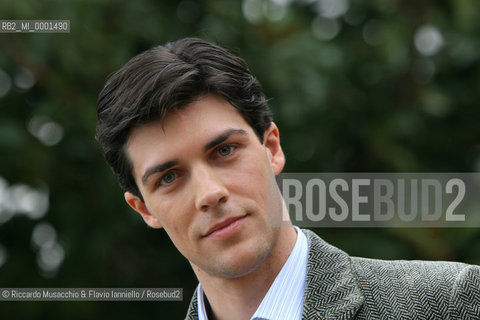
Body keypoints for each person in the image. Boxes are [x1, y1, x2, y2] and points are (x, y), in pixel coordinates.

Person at [96, 38, 480, 320]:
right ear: (144, 208)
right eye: (169, 177)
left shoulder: (449, 302)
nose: (210, 193)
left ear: (272, 148)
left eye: (225, 151)